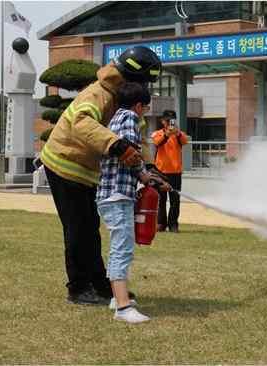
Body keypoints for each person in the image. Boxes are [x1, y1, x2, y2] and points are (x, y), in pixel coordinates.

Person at [40, 46, 162, 306]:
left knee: (90, 229)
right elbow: (82, 123)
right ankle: (78, 288)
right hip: (63, 165)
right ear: (130, 76)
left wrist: (149, 168)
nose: (145, 89)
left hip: (87, 172)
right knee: (78, 229)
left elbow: (138, 138)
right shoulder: (98, 93)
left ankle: (101, 285)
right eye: (144, 82)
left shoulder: (124, 99)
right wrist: (117, 146)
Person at [97, 82, 170, 323]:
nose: (144, 113)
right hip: (117, 195)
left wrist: (145, 177)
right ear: (138, 105)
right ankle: (123, 308)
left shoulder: (115, 118)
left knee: (118, 247)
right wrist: (144, 174)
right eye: (145, 108)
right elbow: (127, 152)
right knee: (122, 249)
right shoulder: (129, 117)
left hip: (111, 194)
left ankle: (116, 298)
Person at [151, 110, 188, 233]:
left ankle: (173, 224)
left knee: (175, 201)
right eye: (167, 121)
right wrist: (167, 134)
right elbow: (157, 142)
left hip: (175, 172)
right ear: (162, 121)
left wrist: (177, 134)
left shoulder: (179, 134)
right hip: (160, 172)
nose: (169, 123)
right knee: (160, 200)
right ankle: (161, 223)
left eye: (172, 120)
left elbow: (185, 141)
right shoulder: (157, 133)